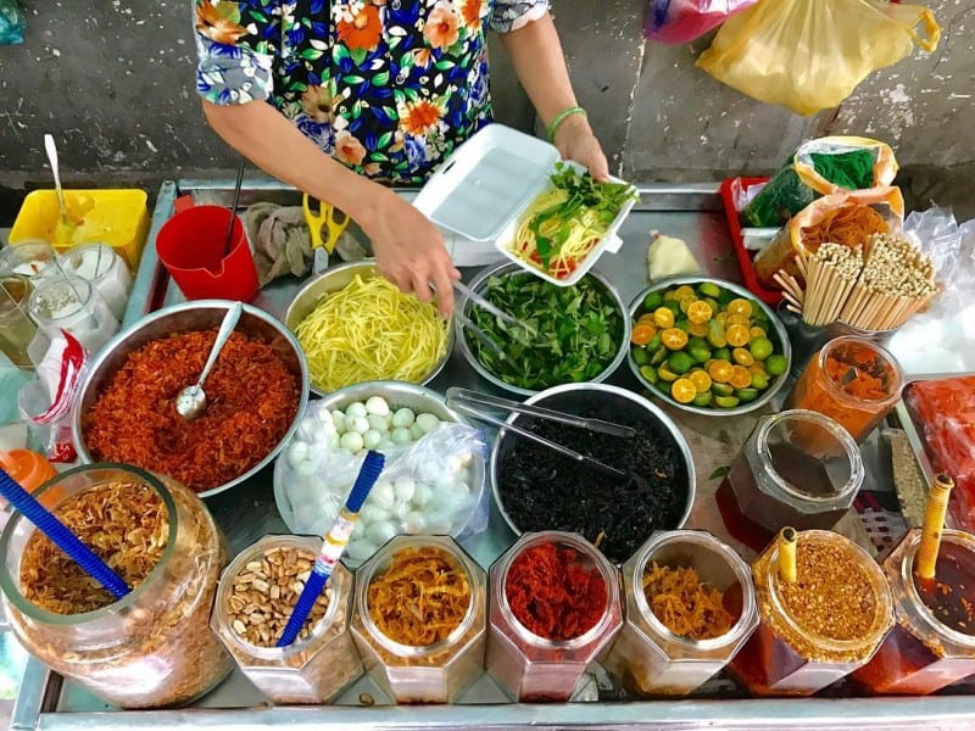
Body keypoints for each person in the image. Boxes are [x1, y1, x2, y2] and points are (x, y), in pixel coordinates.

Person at [194, 0, 609, 315]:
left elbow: (522, 15)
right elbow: (229, 102)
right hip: (329, 190)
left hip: (473, 175)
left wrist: (568, 120)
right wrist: (375, 209)